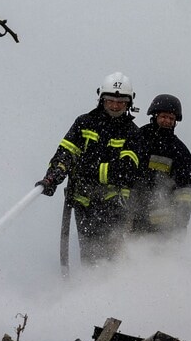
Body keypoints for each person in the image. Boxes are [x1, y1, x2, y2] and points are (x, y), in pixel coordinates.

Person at [37, 72, 141, 265]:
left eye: (121, 102)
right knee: (90, 256)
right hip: (83, 204)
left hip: (114, 206)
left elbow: (125, 171)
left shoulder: (132, 133)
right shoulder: (84, 123)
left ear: (129, 103)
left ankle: (116, 289)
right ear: (101, 99)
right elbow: (65, 153)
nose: (115, 105)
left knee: (112, 256)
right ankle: (90, 291)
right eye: (111, 100)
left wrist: (85, 168)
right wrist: (52, 177)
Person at [131, 93, 191, 237]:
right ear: (155, 116)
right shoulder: (137, 138)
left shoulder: (180, 151)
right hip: (132, 217)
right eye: (163, 117)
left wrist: (181, 222)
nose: (167, 121)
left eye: (171, 118)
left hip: (162, 226)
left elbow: (186, 189)